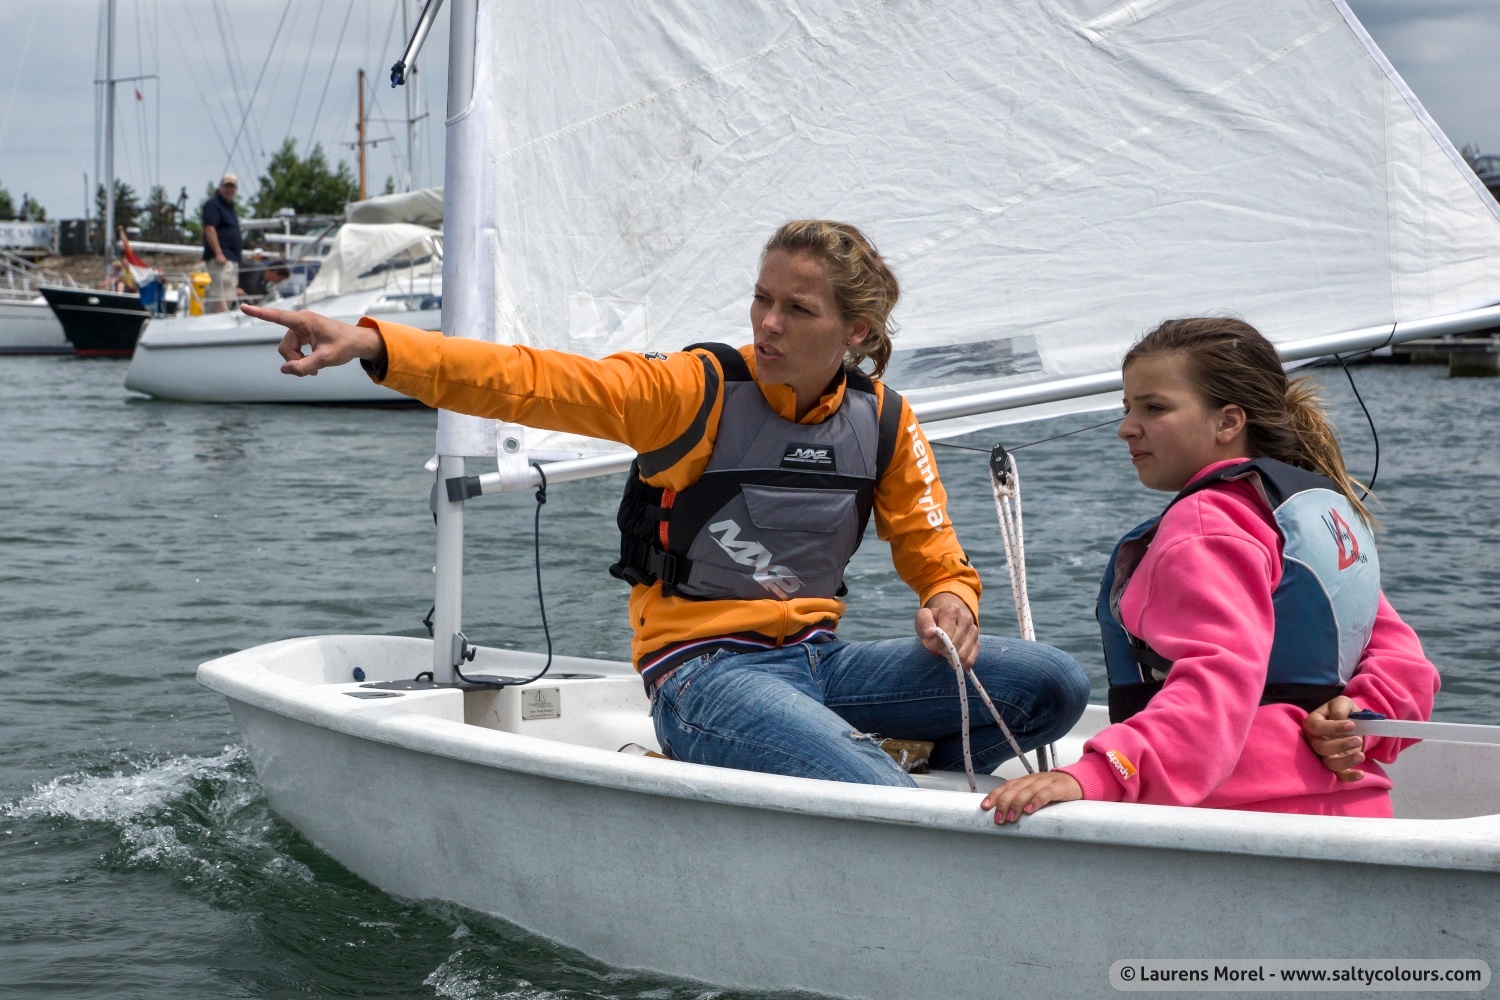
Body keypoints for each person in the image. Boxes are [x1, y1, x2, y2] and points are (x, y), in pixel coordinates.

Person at [243, 219, 1090, 788]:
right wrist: (377, 343)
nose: (767, 323)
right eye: (763, 298)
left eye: (798, 309)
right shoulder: (693, 392)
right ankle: (840, 760)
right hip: (704, 676)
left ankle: (843, 747)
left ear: (857, 333)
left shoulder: (887, 422)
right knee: (866, 781)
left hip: (819, 666)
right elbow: (533, 380)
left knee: (1051, 683)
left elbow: (933, 549)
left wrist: (952, 599)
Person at [981, 317, 1438, 824]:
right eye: (1127, 407)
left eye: (1154, 408)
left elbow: (1219, 677)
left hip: (1239, 819)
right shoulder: (1316, 515)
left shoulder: (1207, 523)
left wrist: (1104, 772)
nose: (1126, 427)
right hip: (1357, 812)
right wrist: (1361, 718)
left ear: (1228, 422)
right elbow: (1402, 658)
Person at [202, 173, 243, 313]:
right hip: (222, 259)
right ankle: (217, 323)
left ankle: (214, 321)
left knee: (228, 293)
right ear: (220, 187)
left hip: (231, 259)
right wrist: (218, 253)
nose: (229, 190)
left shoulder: (230, 207)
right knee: (221, 294)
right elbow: (209, 228)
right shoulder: (214, 204)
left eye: (233, 186)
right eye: (227, 186)